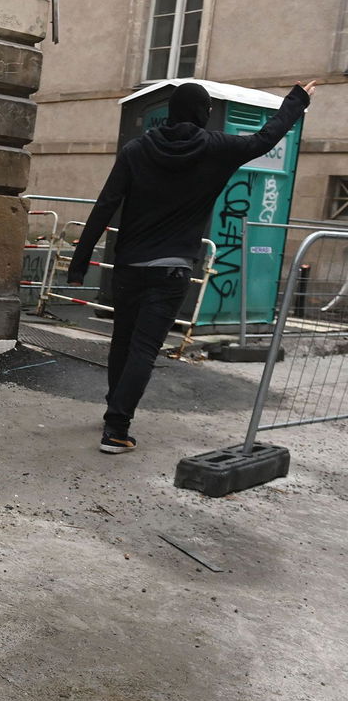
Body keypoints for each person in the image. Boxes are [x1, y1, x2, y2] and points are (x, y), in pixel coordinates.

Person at [68, 80, 315, 454]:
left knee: (123, 340)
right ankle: (116, 429)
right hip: (172, 268)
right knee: (144, 349)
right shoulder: (215, 148)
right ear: (202, 113)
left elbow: (106, 204)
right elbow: (265, 138)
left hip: (130, 266)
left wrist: (80, 261)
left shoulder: (137, 149)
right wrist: (297, 101)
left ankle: (113, 414)